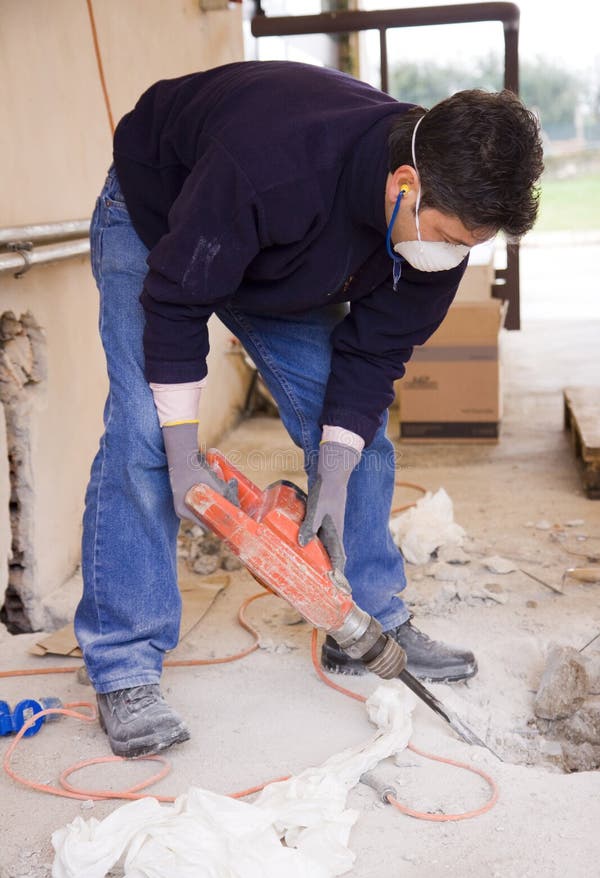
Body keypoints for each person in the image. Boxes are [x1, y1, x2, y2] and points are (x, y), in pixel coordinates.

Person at [74, 61, 543, 758]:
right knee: (143, 435)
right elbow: (175, 302)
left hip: (284, 255)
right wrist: (181, 453)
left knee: (359, 436)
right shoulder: (272, 163)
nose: (451, 256)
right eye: (448, 236)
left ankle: (366, 625)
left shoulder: (439, 223)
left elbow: (374, 356)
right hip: (162, 218)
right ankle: (124, 667)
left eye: (468, 246)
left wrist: (335, 470)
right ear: (405, 184)